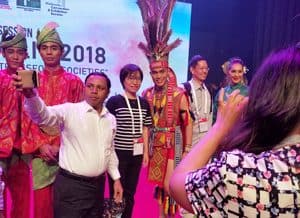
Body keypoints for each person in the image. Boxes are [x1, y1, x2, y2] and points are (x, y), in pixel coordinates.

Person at [169, 45, 300, 217]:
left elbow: (178, 185)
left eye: (240, 71)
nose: (237, 74)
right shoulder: (214, 92)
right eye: (233, 71)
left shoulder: (243, 171)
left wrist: (220, 129)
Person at [13, 72, 123, 218]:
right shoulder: (70, 110)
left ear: (108, 92)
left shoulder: (110, 119)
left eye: (100, 88)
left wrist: (116, 179)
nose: (94, 91)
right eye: (90, 86)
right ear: (85, 88)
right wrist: (31, 96)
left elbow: (109, 150)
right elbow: (43, 116)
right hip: (72, 188)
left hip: (97, 188)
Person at [137, 1, 193, 216]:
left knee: (170, 186)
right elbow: (146, 122)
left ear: (167, 70)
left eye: (161, 72)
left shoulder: (179, 94)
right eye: (154, 73)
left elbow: (187, 122)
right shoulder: (148, 94)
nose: (158, 76)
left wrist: (187, 149)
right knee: (160, 187)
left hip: (173, 144)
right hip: (155, 145)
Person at [29, 21, 84, 218]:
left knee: (66, 207)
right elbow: (27, 117)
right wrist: (41, 144)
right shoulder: (32, 79)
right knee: (42, 208)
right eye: (45, 48)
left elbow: (79, 119)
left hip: (66, 153)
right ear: (39, 52)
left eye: (54, 48)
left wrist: (60, 146)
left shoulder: (74, 82)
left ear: (62, 51)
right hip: (40, 153)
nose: (49, 52)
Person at [0, 25, 39, 218]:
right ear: (3, 53)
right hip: (1, 149)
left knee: (22, 203)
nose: (15, 57)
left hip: (22, 151)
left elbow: (38, 114)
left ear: (26, 55)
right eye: (10, 52)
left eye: (20, 52)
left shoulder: (31, 79)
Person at [106, 64, 152, 218]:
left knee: (130, 193)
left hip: (136, 154)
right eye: (131, 78)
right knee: (117, 192)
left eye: (138, 78)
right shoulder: (114, 101)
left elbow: (145, 128)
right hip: (118, 154)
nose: (135, 82)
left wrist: (145, 152)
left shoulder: (144, 103)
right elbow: (108, 128)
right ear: (123, 80)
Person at [180, 55, 213, 218]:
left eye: (206, 68)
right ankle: (185, 209)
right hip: (190, 140)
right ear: (192, 70)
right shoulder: (184, 88)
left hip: (205, 139)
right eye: (201, 68)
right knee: (188, 174)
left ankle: (199, 207)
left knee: (202, 175)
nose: (204, 71)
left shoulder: (209, 90)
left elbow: (211, 116)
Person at [212, 57, 248, 123]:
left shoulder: (249, 92)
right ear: (229, 72)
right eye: (233, 71)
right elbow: (214, 117)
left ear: (243, 72)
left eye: (240, 71)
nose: (236, 75)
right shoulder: (221, 93)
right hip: (223, 131)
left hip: (241, 131)